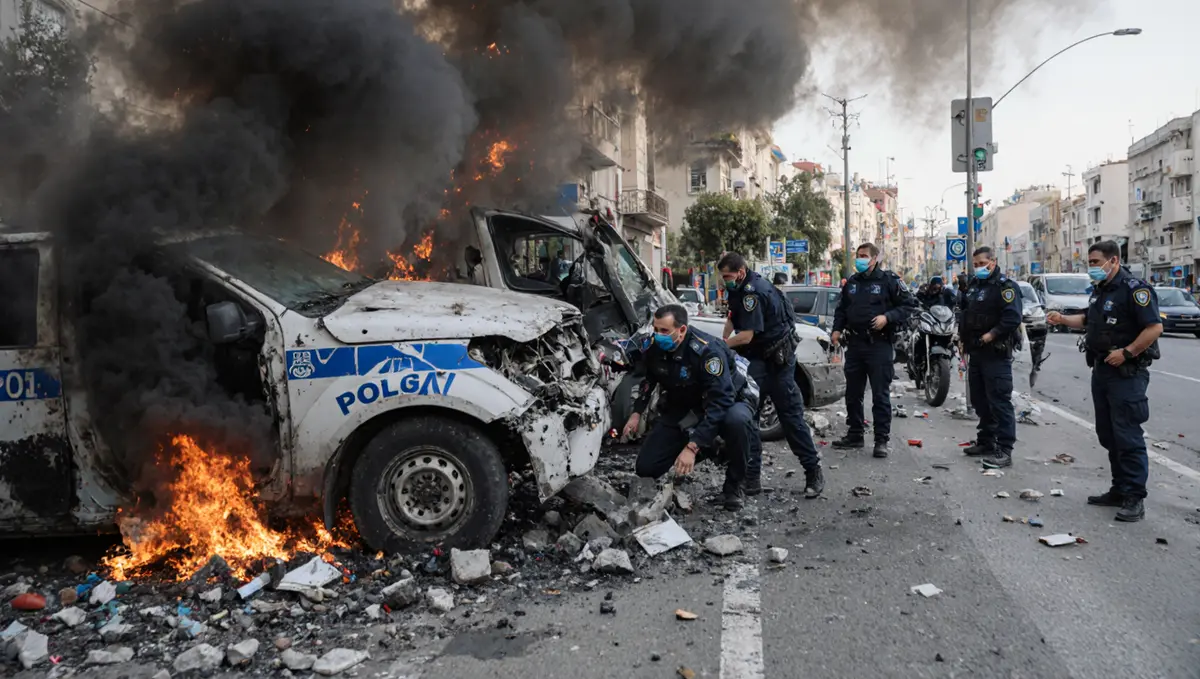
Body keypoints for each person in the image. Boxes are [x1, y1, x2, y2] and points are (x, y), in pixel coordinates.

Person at [1047, 241, 1162, 522]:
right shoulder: (1101, 290)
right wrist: (1062, 318)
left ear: (1113, 261)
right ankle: (1119, 489)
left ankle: (1135, 496)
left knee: (1127, 435)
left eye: (1096, 262)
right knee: (1108, 434)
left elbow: (1154, 327)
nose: (1092, 267)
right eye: (1091, 262)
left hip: (1127, 374)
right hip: (1102, 371)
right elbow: (1089, 320)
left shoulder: (1135, 289)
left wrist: (1127, 352)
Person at [623, 304, 760, 510]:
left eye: (664, 331)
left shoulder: (707, 352)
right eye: (656, 329)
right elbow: (649, 380)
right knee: (646, 467)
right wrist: (636, 414)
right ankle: (711, 446)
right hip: (687, 403)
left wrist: (692, 446)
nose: (658, 335)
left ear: (682, 330)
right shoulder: (654, 347)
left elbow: (721, 401)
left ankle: (734, 487)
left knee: (736, 422)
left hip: (730, 400)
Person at [718, 252, 824, 498]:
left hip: (777, 363)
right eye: (723, 277)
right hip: (757, 360)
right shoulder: (740, 288)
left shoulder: (753, 293)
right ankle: (751, 479)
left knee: (791, 420)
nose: (725, 281)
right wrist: (725, 338)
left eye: (728, 276)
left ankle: (813, 472)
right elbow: (733, 318)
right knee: (748, 419)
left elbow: (746, 336)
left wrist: (721, 346)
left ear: (741, 272)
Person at [829, 243, 916, 458]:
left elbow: (908, 306)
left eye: (864, 256)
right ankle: (855, 434)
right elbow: (841, 310)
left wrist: (887, 317)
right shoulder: (852, 283)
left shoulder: (889, 281)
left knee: (880, 395)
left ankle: (881, 440)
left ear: (875, 258)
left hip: (879, 345)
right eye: (858, 256)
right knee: (853, 394)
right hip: (855, 345)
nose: (860, 259)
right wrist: (836, 330)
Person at [959, 246, 1022, 468]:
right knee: (979, 399)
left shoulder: (1005, 287)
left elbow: (1012, 318)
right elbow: (966, 315)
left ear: (992, 262)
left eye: (981, 264)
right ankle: (986, 441)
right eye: (975, 265)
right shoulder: (975, 286)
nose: (978, 268)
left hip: (995, 352)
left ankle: (1004, 449)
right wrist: (962, 339)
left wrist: (990, 335)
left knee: (999, 401)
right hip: (976, 351)